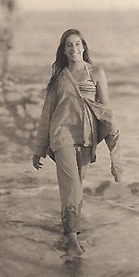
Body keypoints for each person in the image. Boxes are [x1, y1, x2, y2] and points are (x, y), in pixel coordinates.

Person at [32, 29, 123, 256]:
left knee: (77, 185)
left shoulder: (97, 73)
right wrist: (39, 149)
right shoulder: (58, 78)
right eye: (69, 45)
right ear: (63, 50)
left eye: (77, 44)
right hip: (61, 134)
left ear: (84, 47)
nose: (74, 49)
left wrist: (116, 156)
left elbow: (106, 111)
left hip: (86, 136)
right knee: (71, 183)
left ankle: (69, 228)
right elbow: (47, 113)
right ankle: (72, 241)